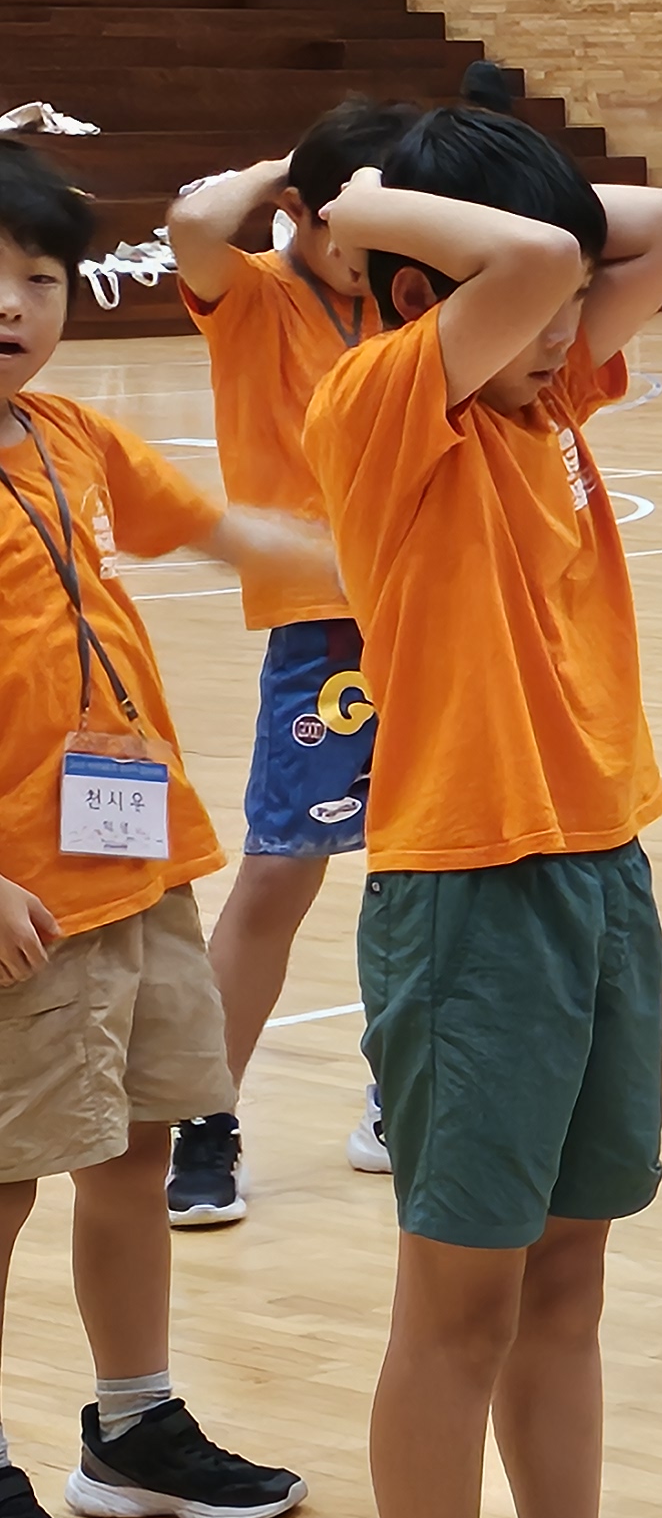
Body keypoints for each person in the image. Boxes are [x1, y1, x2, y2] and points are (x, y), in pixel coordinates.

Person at [303, 108, 662, 1518]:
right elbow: (555, 252)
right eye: (536, 306)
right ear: (423, 288)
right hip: (468, 897)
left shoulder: (546, 401)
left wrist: (481, 208)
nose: (570, 326)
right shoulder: (381, 403)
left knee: (569, 1280)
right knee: (458, 1302)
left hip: (595, 871)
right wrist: (372, 206)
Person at [0, 138, 317, 1518]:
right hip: (17, 905)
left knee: (134, 1150)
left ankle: (132, 1426)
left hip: (133, 864)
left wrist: (406, 564)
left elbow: (229, 534)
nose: (14, 306)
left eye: (39, 278)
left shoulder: (66, 433)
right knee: (4, 1182)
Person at [155, 101, 416, 1221]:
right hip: (323, 628)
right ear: (303, 211)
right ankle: (204, 1114)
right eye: (355, 222)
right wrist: (290, 171)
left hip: (432, 609)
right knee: (279, 871)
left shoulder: (411, 297)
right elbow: (190, 224)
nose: (376, 246)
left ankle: (399, 1092)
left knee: (426, 868)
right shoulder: (256, 295)